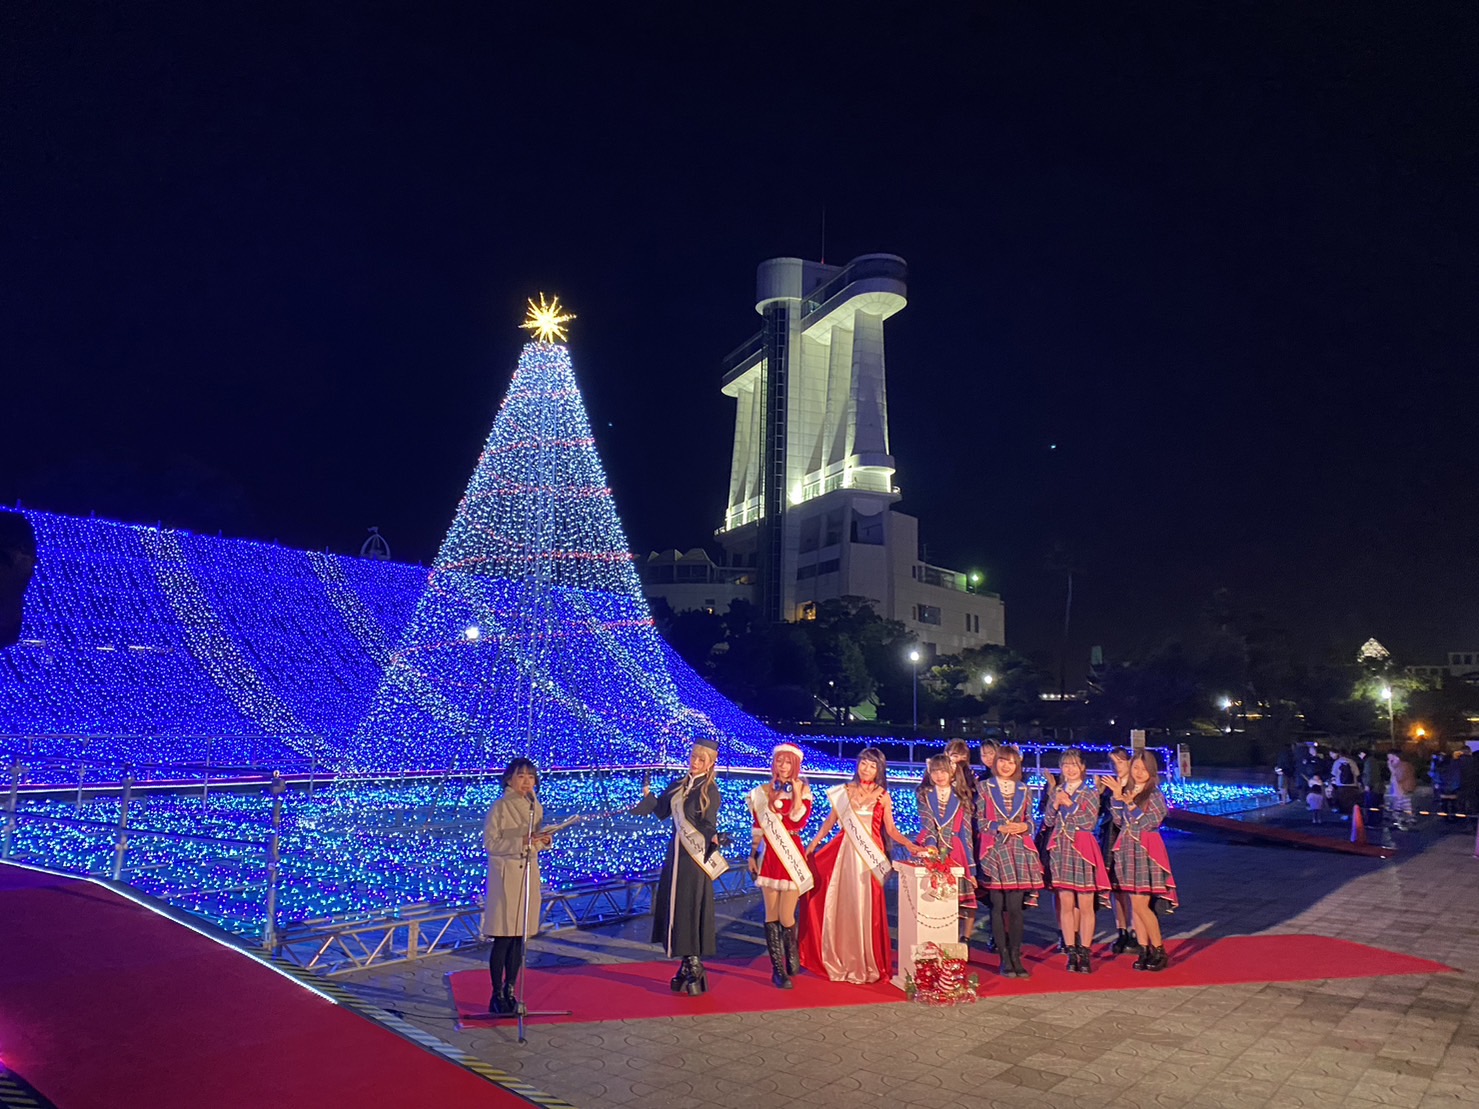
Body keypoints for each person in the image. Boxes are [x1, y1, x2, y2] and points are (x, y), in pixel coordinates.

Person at [800, 748, 921, 983]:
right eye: (863, 763)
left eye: (872, 766)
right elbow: (830, 822)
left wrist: (909, 843)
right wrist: (814, 843)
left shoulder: (883, 795)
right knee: (843, 906)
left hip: (870, 859)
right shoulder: (844, 792)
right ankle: (841, 957)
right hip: (844, 856)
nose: (866, 769)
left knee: (867, 908)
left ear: (879, 770)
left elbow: (891, 829)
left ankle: (865, 961)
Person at [631, 737, 727, 995]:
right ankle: (689, 966)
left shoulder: (709, 791)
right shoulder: (678, 786)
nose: (694, 762)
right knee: (675, 909)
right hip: (675, 855)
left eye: (701, 759)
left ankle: (693, 965)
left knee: (689, 908)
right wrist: (647, 796)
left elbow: (707, 824)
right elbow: (662, 811)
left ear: (710, 763)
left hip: (694, 860)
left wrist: (715, 838)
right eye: (693, 757)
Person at [482, 757, 552, 1015]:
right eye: (521, 776)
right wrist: (522, 842)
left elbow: (533, 842)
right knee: (503, 937)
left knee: (518, 939)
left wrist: (543, 841)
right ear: (509, 778)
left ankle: (511, 988)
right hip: (506, 877)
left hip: (527, 875)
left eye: (531, 777)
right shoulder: (499, 807)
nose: (526, 781)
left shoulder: (536, 806)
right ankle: (496, 993)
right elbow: (491, 844)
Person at [748, 742, 814, 988]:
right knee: (771, 914)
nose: (783, 766)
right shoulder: (761, 792)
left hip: (791, 855)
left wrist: (796, 792)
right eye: (779, 761)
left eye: (788, 762)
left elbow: (798, 822)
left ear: (795, 765)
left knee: (787, 916)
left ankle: (792, 953)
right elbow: (757, 827)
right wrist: (752, 854)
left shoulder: (804, 790)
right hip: (768, 857)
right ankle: (778, 970)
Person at [977, 744, 1044, 978]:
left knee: (1016, 908)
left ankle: (1016, 955)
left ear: (1017, 765)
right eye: (1002, 760)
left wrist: (1024, 826)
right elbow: (978, 820)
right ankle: (1003, 957)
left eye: (1011, 762)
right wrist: (997, 826)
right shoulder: (984, 787)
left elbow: (1031, 820)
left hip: (1018, 850)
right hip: (994, 849)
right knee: (997, 906)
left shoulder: (1024, 789)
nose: (1006, 765)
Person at [1107, 750, 1177, 971]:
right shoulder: (1129, 791)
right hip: (1128, 850)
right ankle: (1145, 949)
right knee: (1136, 906)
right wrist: (1118, 798)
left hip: (1147, 851)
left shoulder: (1154, 795)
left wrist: (1130, 804)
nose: (1138, 772)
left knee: (1141, 905)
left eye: (1143, 769)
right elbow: (1119, 821)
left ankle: (1159, 950)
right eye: (1135, 767)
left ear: (1151, 772)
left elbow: (1150, 822)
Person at [1042, 748, 1110, 973]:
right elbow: (1048, 820)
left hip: (1082, 849)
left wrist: (1068, 804)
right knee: (1066, 903)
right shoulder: (1058, 789)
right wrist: (1054, 803)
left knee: (1086, 904)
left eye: (1073, 765)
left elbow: (1089, 822)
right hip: (1061, 848)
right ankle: (1070, 951)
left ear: (1082, 768)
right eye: (1065, 765)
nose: (1069, 769)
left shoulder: (1089, 792)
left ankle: (1085, 951)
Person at [916, 754, 979, 944]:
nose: (939, 775)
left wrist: (972, 868)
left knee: (964, 899)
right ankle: (936, 937)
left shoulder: (962, 798)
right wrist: (931, 848)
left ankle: (964, 939)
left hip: (957, 851)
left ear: (952, 772)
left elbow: (966, 834)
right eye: (934, 771)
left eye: (943, 770)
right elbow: (927, 825)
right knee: (935, 898)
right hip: (932, 849)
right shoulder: (924, 795)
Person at [1099, 747, 1138, 955]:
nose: (1116, 767)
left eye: (1120, 762)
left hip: (1130, 838)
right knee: (1116, 888)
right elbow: (1099, 813)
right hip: (1111, 837)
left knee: (1132, 887)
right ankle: (1121, 929)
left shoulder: (1135, 785)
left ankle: (1135, 930)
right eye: (1113, 763)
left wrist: (1118, 795)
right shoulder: (1108, 785)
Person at [944, 739, 980, 939]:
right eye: (954, 755)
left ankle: (965, 937)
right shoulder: (938, 779)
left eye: (962, 756)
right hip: (945, 841)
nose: (958, 760)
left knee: (968, 889)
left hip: (967, 837)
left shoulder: (973, 780)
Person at [1387, 752, 1417, 831]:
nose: (1389, 761)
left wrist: (1392, 769)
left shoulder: (1402, 766)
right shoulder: (1404, 765)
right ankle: (1406, 820)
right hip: (1402, 790)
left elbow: (1399, 778)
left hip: (1401, 790)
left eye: (1391, 759)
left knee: (1400, 805)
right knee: (1403, 805)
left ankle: (1402, 821)